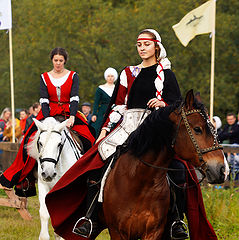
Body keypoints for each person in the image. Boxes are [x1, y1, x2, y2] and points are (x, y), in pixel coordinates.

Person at [45, 30, 217, 240]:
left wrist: (163, 104)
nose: (142, 48)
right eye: (139, 45)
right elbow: (117, 105)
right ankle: (90, 218)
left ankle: (175, 221)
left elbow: (178, 106)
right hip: (129, 125)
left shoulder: (167, 73)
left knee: (179, 169)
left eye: (146, 44)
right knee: (98, 164)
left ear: (156, 46)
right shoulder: (128, 73)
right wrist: (106, 130)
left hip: (158, 129)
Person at [0, 47, 95, 197]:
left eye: (61, 61)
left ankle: (92, 178)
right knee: (28, 140)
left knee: (89, 137)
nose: (58, 63)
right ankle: (26, 180)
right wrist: (46, 118)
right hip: (48, 114)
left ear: (65, 61)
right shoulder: (44, 77)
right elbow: (44, 100)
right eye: (56, 60)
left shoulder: (73, 76)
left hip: (68, 113)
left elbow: (74, 98)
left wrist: (71, 117)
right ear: (52, 60)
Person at [90, 67, 118, 137]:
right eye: (108, 76)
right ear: (106, 77)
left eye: (112, 76)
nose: (110, 78)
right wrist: (94, 114)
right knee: (98, 128)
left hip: (113, 111)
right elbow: (96, 102)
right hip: (102, 111)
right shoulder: (100, 88)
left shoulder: (117, 88)